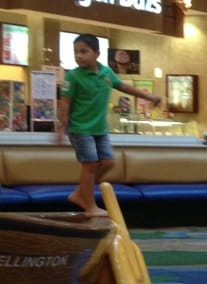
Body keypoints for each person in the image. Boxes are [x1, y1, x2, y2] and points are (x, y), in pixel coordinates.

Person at [56, 33, 162, 217]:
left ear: (97, 53)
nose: (78, 56)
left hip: (99, 129)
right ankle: (89, 205)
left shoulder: (106, 73)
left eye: (83, 51)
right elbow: (64, 102)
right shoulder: (73, 76)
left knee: (108, 162)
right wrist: (60, 127)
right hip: (80, 128)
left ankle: (81, 193)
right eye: (76, 52)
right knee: (89, 165)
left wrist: (149, 96)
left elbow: (125, 87)